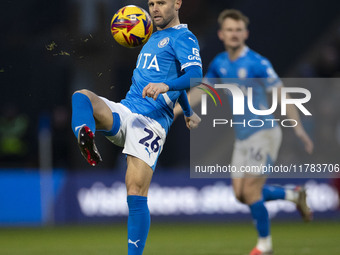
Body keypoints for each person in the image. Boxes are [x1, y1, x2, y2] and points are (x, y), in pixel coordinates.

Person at [175, 9, 314, 255]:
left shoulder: (257, 63)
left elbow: (281, 94)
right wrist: (176, 110)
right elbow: (202, 90)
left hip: (265, 132)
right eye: (229, 30)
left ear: (245, 33)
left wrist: (299, 128)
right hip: (242, 137)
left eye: (238, 30)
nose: (234, 34)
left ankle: (265, 245)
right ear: (221, 34)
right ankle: (294, 196)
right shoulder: (219, 63)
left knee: (250, 190)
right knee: (241, 194)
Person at [71, 0, 202, 254]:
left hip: (151, 124)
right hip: (127, 110)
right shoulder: (151, 37)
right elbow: (173, 78)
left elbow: (195, 75)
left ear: (177, 3)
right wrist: (186, 109)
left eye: (161, 3)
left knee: (135, 192)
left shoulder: (183, 37)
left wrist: (173, 95)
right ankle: (84, 135)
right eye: (151, 3)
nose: (154, 8)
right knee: (82, 96)